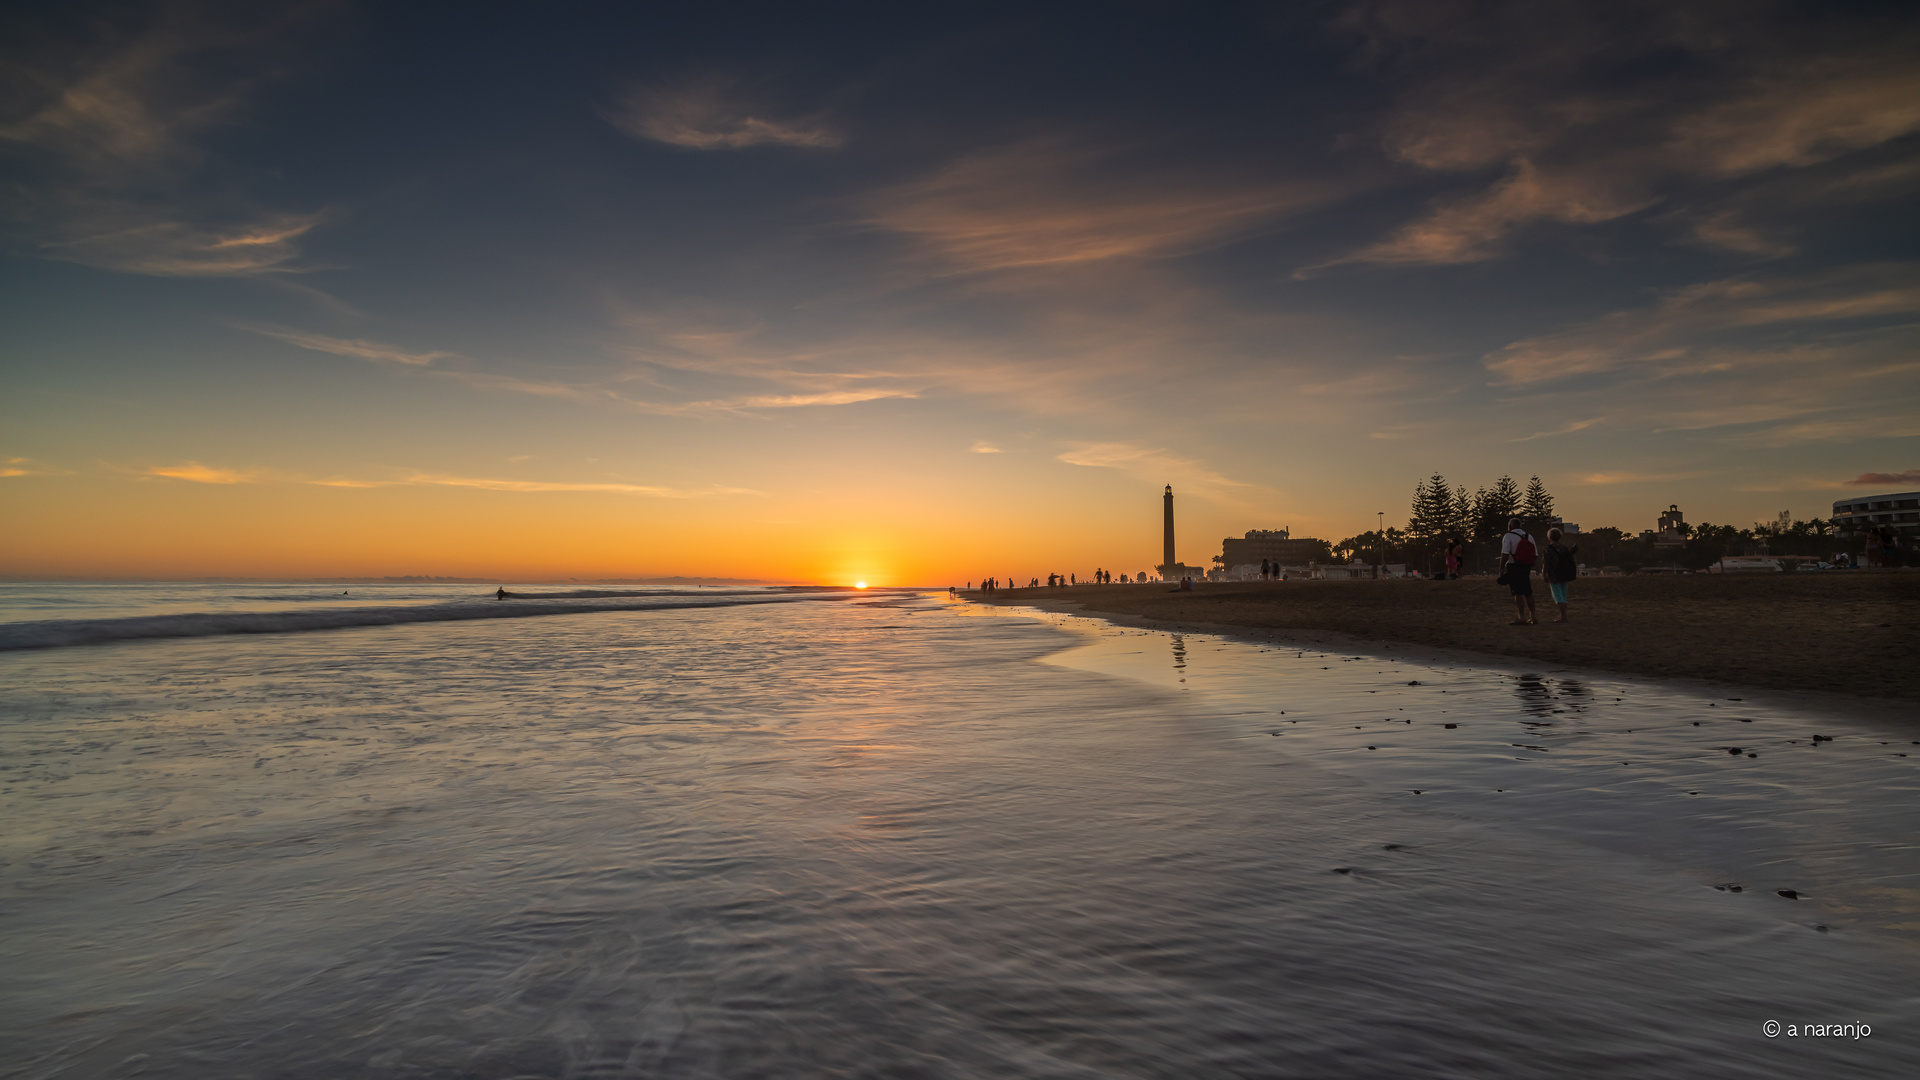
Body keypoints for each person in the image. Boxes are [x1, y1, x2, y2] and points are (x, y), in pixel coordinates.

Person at [1498, 516, 1537, 625]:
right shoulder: (1529, 536)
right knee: (1528, 592)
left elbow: (1504, 553)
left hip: (1514, 565)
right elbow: (1535, 554)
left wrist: (1501, 568)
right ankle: (1533, 616)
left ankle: (1521, 616)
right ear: (1520, 526)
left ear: (1510, 527)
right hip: (1526, 566)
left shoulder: (1508, 536)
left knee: (1517, 593)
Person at [1543, 527, 1578, 623]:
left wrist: (1544, 574)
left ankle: (1563, 616)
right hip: (1564, 573)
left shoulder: (1548, 548)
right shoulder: (1564, 548)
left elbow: (1546, 563)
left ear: (1549, 537)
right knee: (1563, 595)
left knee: (1558, 596)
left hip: (1554, 574)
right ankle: (1562, 614)